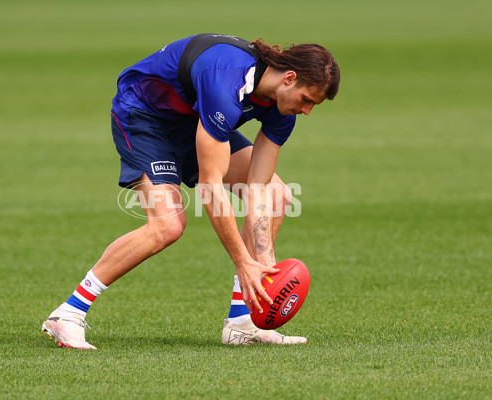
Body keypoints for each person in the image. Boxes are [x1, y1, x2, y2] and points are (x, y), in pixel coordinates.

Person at [42, 33, 340, 349]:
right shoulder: (225, 80)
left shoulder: (283, 111)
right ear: (289, 78)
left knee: (277, 196)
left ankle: (242, 323)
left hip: (196, 120)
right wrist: (242, 260)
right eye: (307, 99)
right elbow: (211, 189)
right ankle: (68, 314)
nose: (307, 111)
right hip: (144, 116)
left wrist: (267, 268)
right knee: (167, 225)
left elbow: (259, 190)